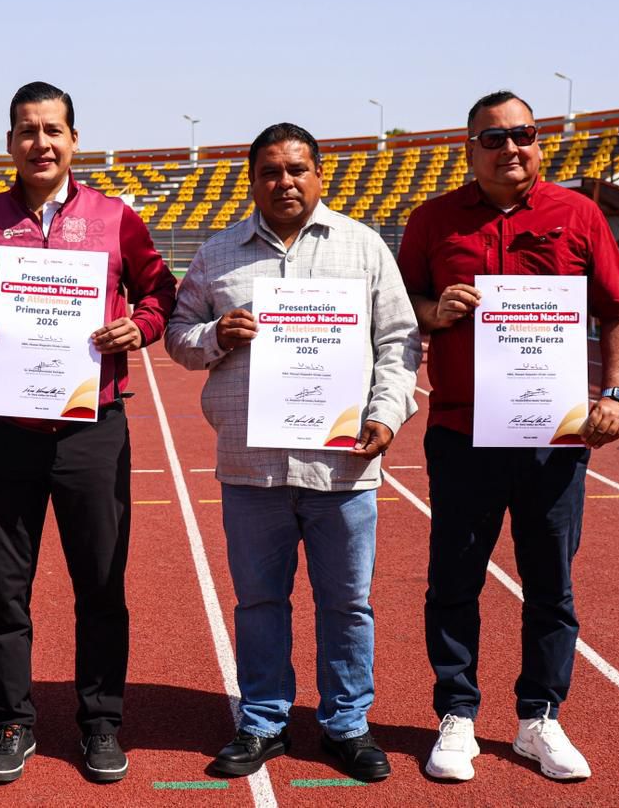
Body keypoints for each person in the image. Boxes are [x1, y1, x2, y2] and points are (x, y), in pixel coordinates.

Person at [0, 81, 176, 785]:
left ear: (74, 140)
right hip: (4, 428)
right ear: (9, 143)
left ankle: (101, 723)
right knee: (3, 589)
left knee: (101, 584)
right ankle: (11, 721)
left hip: (93, 429)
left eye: (53, 130)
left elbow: (161, 292)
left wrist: (141, 326)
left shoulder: (116, 218)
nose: (41, 143)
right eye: (27, 131)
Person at [165, 123, 420, 782]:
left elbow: (399, 342)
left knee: (347, 604)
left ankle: (346, 724)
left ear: (319, 175)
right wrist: (216, 335)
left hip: (343, 465)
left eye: (297, 169)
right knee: (258, 603)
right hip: (251, 466)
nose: (284, 182)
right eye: (271, 172)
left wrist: (386, 413)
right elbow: (177, 335)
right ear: (253, 181)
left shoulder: (364, 248)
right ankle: (262, 720)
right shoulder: (219, 253)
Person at [397, 90, 619, 782]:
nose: (510, 147)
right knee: (454, 579)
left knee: (551, 584)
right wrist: (435, 310)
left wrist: (616, 394)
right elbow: (402, 304)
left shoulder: (579, 214)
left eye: (523, 134)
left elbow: (617, 312)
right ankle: (457, 714)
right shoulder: (433, 219)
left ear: (539, 142)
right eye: (494, 137)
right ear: (470, 148)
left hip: (551, 440)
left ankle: (540, 718)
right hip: (462, 432)